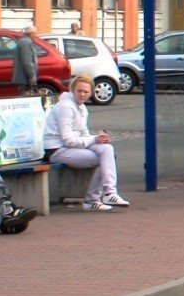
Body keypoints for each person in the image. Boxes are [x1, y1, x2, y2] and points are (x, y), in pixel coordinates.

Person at [43, 74, 128, 210]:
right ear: (72, 90)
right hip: (56, 150)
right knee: (103, 158)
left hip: (71, 148)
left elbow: (84, 134)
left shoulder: (81, 107)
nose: (82, 94)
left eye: (86, 92)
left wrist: (99, 139)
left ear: (91, 93)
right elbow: (68, 140)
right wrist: (94, 139)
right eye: (79, 91)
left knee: (107, 149)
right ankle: (93, 199)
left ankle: (109, 193)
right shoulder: (66, 106)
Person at [11, 29, 39, 97]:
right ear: (31, 34)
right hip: (25, 78)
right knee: (26, 97)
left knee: (24, 96)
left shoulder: (24, 41)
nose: (36, 36)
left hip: (24, 78)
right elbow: (27, 62)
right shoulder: (26, 42)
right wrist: (31, 76)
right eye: (35, 34)